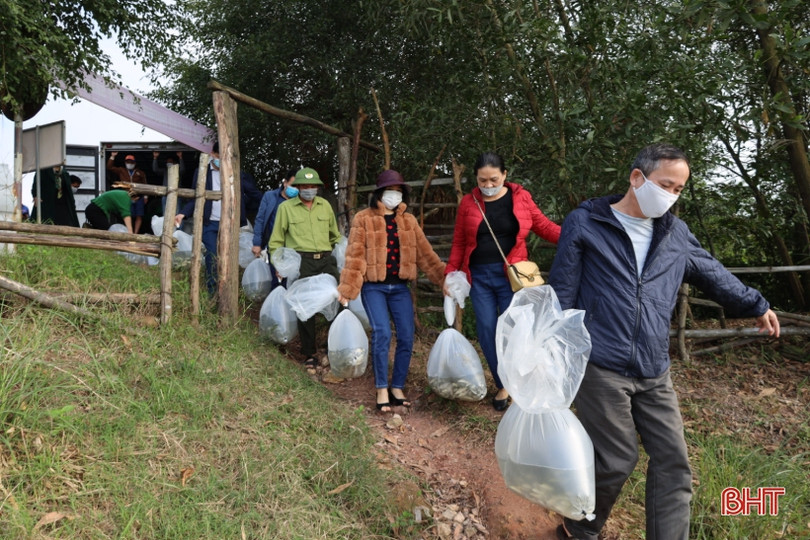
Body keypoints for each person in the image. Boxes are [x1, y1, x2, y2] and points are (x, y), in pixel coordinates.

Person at [548, 143, 780, 540]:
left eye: (679, 189)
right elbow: (563, 291)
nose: (672, 195)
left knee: (674, 462)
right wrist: (553, 351)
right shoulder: (586, 222)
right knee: (618, 459)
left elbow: (713, 272)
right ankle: (581, 526)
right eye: (666, 184)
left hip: (654, 369)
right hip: (601, 364)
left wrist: (755, 303)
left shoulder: (676, 233)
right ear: (637, 178)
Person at [444, 152, 561, 411]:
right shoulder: (468, 202)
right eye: (482, 180)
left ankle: (514, 384)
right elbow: (460, 240)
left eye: (493, 179)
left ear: (505, 175)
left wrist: (576, 236)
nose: (487, 185)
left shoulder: (521, 198)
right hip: (479, 277)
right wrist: (451, 272)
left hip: (513, 277)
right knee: (486, 331)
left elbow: (543, 226)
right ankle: (502, 383)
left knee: (514, 332)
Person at [337, 170, 446, 412]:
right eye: (389, 191)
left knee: (406, 336)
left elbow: (426, 254)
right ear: (379, 193)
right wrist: (347, 288)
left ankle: (397, 386)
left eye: (398, 191)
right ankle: (381, 388)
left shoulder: (409, 221)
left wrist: (443, 280)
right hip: (373, 287)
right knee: (382, 332)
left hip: (399, 287)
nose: (394, 195)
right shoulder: (363, 219)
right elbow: (354, 255)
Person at [268, 167, 341, 371]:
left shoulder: (325, 206)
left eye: (312, 186)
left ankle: (331, 347)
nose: (309, 189)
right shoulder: (286, 208)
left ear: (317, 188)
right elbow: (276, 241)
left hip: (326, 260)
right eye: (305, 186)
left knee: (338, 301)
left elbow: (334, 235)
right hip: (302, 262)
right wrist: (279, 264)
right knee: (305, 308)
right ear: (298, 187)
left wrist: (344, 252)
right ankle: (309, 353)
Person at [174, 143, 251, 297]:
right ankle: (212, 291)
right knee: (211, 254)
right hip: (209, 222)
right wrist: (183, 213)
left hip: (228, 223)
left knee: (227, 256)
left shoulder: (234, 173)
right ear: (212, 154)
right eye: (218, 156)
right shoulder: (202, 172)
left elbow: (250, 192)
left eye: (225, 157)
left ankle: (228, 291)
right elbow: (196, 196)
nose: (220, 160)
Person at [251, 169, 298, 290]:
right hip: (274, 246)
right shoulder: (270, 197)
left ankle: (288, 307)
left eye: (298, 187)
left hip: (293, 248)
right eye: (293, 185)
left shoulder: (299, 202)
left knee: (291, 281)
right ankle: (275, 306)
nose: (295, 189)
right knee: (276, 281)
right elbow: (260, 220)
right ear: (285, 183)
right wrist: (257, 243)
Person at [107, 152, 148, 233]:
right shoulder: (121, 170)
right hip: (126, 196)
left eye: (131, 162)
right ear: (125, 163)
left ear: (135, 163)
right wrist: (112, 156)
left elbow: (145, 184)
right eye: (127, 162)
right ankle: (129, 232)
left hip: (138, 197)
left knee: (139, 216)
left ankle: (135, 233)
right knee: (127, 215)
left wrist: (146, 196)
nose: (129, 164)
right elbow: (109, 167)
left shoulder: (140, 172)